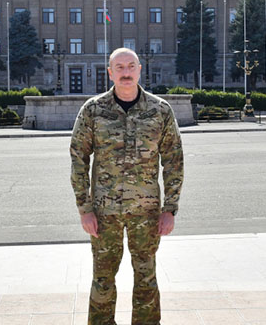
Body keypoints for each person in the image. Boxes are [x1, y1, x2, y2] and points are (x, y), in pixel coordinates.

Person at [70, 47, 184, 325]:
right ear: (109, 72)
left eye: (130, 66)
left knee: (146, 276)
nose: (125, 72)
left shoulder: (160, 110)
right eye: (119, 67)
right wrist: (85, 209)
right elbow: (78, 158)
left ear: (139, 70)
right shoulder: (93, 110)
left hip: (146, 213)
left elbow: (173, 160)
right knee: (103, 278)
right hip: (103, 212)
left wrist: (170, 209)